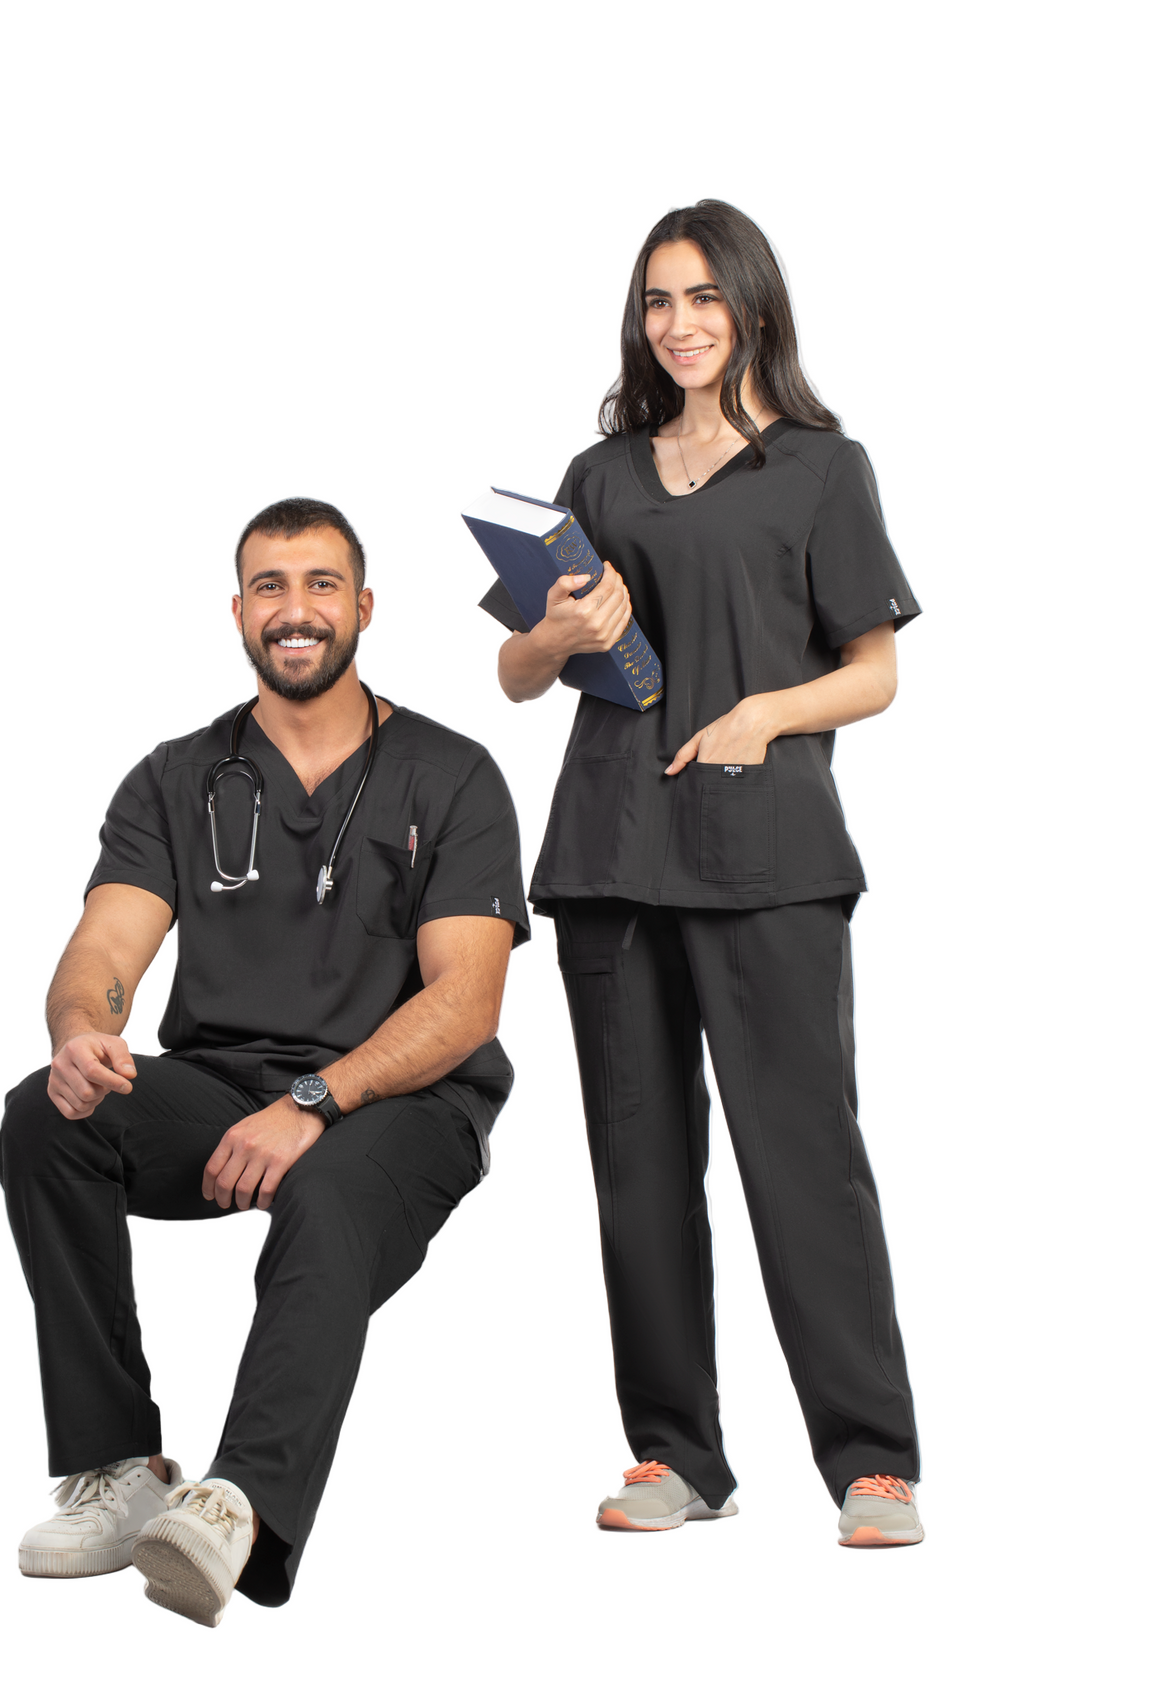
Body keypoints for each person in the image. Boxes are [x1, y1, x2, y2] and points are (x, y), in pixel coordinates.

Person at [480, 200, 924, 1548]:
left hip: (769, 856)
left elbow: (876, 670)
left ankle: (870, 1461)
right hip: (612, 857)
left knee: (804, 1157)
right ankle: (676, 1452)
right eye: (657, 301)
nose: (677, 324)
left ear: (754, 307)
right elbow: (511, 675)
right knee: (639, 1164)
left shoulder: (819, 469)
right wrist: (558, 631)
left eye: (701, 298)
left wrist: (766, 715)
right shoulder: (599, 473)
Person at [0, 496, 527, 1625]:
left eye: (321, 585)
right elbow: (103, 945)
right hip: (226, 1084)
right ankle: (119, 1469)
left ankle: (238, 1502)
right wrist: (80, 1030)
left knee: (331, 1188)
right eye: (271, 587)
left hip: (406, 1098)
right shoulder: (174, 776)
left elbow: (466, 999)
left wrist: (314, 1099)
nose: (296, 611)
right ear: (239, 610)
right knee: (46, 1117)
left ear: (364, 608)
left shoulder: (452, 774)